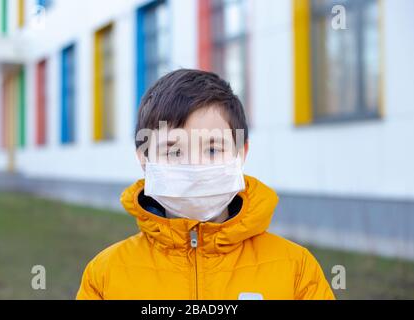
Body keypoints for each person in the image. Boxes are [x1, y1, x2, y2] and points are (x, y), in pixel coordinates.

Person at [76, 69, 335, 300]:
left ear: (241, 153)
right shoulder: (105, 277)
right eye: (173, 152)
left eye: (212, 149)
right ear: (144, 158)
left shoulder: (296, 271)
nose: (195, 166)